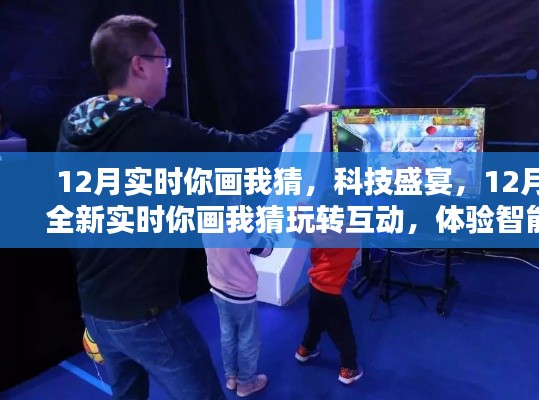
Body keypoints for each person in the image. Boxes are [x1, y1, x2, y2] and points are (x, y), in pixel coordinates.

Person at [56, 14, 337, 400]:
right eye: (163, 59)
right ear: (139, 65)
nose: (168, 69)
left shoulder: (75, 125)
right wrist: (299, 114)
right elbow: (250, 147)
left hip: (96, 309)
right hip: (146, 313)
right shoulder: (156, 131)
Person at [203, 197, 277, 397]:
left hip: (218, 289)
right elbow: (266, 250)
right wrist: (271, 234)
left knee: (227, 335)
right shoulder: (242, 227)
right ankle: (246, 383)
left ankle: (232, 378)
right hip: (241, 294)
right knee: (248, 339)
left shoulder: (206, 220)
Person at [293, 188, 363, 385]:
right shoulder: (351, 231)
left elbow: (297, 230)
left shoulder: (316, 229)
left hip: (314, 288)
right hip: (330, 294)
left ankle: (305, 350)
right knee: (343, 332)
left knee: (316, 322)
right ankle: (348, 370)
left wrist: (300, 212)